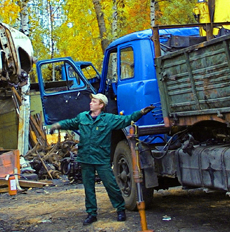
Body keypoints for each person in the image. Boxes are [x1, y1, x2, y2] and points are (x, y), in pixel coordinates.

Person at [47, 93, 153, 225]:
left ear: (101, 105)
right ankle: (91, 213)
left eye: (94, 101)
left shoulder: (108, 119)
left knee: (111, 185)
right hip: (86, 158)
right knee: (88, 188)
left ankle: (120, 210)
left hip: (101, 159)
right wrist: (57, 125)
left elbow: (126, 120)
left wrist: (141, 112)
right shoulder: (83, 117)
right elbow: (70, 123)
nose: (91, 103)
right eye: (91, 101)